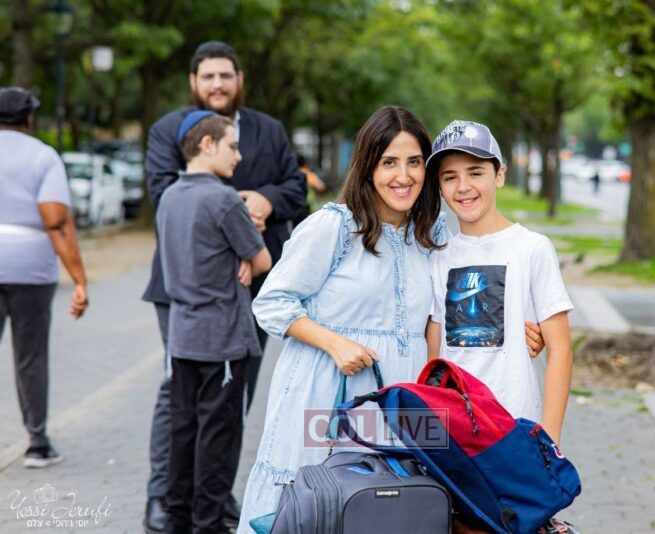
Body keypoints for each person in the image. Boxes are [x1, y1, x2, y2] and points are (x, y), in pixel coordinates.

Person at [237, 107, 545, 533]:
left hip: (405, 401)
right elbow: (272, 302)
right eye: (389, 162)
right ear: (368, 167)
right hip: (328, 394)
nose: (403, 176)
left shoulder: (434, 233)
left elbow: (453, 310)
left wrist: (516, 331)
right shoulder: (334, 227)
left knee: (392, 507)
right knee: (317, 505)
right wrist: (334, 343)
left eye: (414, 162)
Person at [142, 41, 306, 532]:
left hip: (250, 292)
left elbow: (295, 188)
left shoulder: (268, 129)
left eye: (225, 76)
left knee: (232, 400)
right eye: (208, 76)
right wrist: (235, 217)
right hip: (187, 287)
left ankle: (211, 497)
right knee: (180, 399)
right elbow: (162, 191)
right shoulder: (169, 129)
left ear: (240, 80)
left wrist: (265, 200)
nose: (217, 84)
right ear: (194, 82)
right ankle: (165, 497)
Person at [425, 120, 578, 534]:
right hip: (455, 434)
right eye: (449, 177)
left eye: (475, 172)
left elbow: (561, 349)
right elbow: (435, 353)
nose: (463, 187)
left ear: (500, 175)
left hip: (514, 430)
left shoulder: (531, 248)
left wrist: (549, 440)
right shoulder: (438, 256)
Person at [157, 111, 272, 533]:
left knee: (183, 431)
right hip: (222, 340)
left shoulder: (169, 196)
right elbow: (263, 260)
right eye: (232, 146)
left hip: (182, 338)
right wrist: (246, 255)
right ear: (207, 145)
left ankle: (176, 518)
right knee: (217, 439)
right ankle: (208, 523)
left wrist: (239, 253)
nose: (238, 156)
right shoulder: (223, 200)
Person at [0, 86, 89, 467]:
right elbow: (56, 221)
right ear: (29, 118)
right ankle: (37, 443)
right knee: (30, 357)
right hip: (31, 269)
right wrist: (79, 279)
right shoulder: (43, 156)